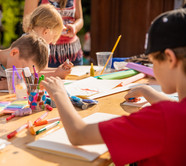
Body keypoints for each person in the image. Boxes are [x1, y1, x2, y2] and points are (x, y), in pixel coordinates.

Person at [41, 8, 186, 165]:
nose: (153, 69)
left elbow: (79, 134)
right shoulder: (176, 114)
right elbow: (177, 108)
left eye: (152, 62)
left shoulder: (161, 119)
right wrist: (146, 90)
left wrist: (60, 92)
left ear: (170, 59)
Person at [24, 0, 84, 67]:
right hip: (44, 52)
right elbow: (27, 24)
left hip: (73, 53)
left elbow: (80, 19)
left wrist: (75, 27)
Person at [23, 4, 73, 78]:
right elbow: (28, 76)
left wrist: (60, 69)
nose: (53, 41)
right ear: (46, 32)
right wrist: (56, 73)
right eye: (54, 36)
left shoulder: (45, 46)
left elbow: (42, 70)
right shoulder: (26, 45)